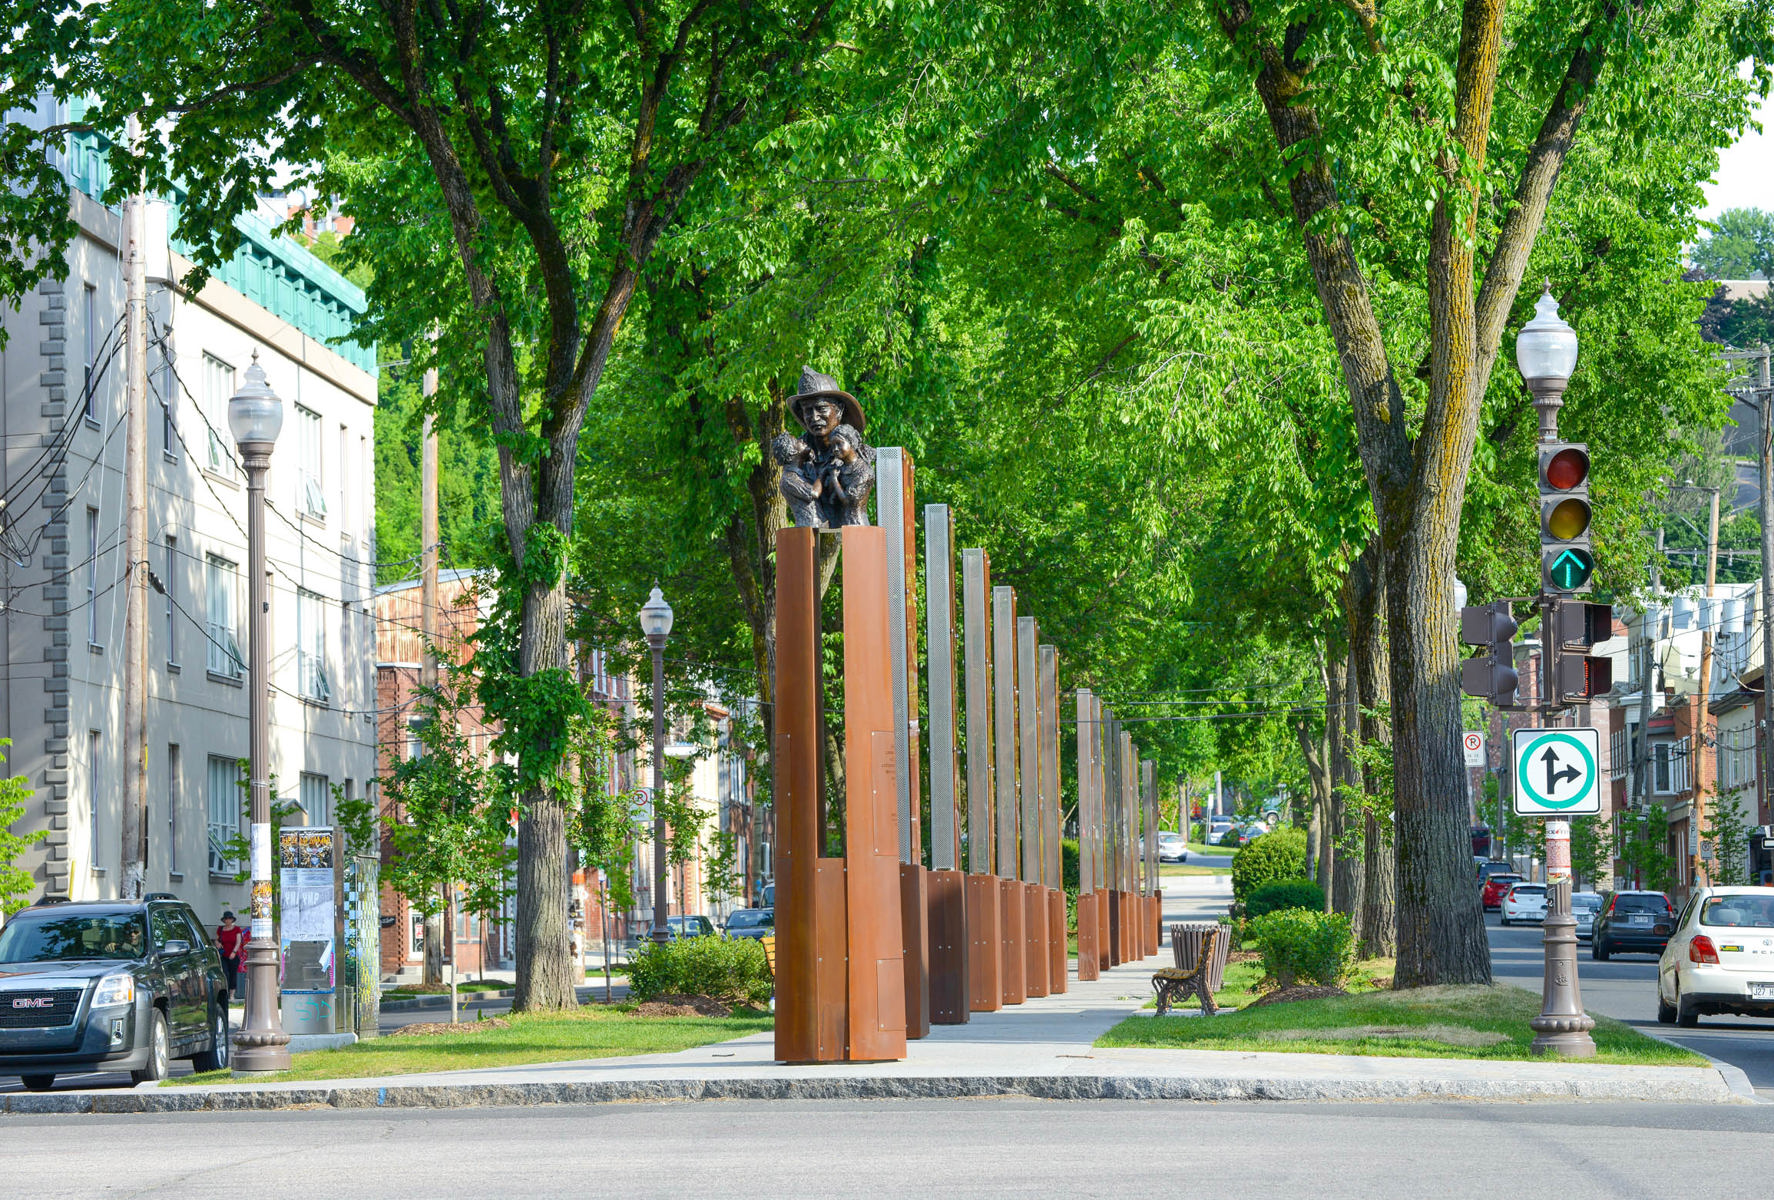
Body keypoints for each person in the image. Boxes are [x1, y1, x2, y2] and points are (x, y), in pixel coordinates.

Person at [216, 911, 247, 998]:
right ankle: (225, 992)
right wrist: (217, 943)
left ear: (232, 919)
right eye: (226, 918)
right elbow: (217, 939)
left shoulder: (237, 929)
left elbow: (238, 942)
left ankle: (232, 994)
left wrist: (234, 952)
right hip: (223, 955)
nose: (228, 920)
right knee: (225, 973)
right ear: (224, 920)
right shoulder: (220, 929)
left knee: (233, 974)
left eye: (229, 918)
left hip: (233, 955)